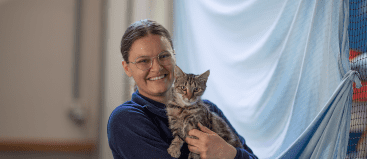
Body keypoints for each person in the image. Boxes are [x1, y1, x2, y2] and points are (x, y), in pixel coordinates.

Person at [107, 19, 258, 159]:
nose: (157, 68)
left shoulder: (209, 108)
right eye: (144, 61)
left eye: (164, 56)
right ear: (127, 68)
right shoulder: (126, 119)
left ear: (174, 58)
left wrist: (229, 153)